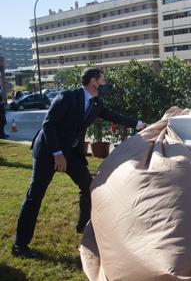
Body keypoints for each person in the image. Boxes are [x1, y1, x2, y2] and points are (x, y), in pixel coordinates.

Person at [12, 68, 146, 259]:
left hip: (71, 152)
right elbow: (48, 124)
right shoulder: (67, 97)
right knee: (35, 195)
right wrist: (57, 154)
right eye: (103, 80)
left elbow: (112, 116)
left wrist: (139, 124)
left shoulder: (96, 102)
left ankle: (83, 226)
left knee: (88, 185)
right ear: (93, 81)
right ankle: (20, 245)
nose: (105, 84)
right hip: (48, 151)